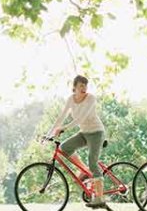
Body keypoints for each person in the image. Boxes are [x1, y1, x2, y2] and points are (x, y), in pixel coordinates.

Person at [48, 75, 107, 207]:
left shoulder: (91, 99)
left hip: (97, 133)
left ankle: (100, 198)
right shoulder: (71, 99)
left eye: (85, 85)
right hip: (84, 133)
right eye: (81, 85)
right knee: (64, 148)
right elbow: (61, 117)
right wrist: (49, 134)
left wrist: (64, 128)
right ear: (74, 87)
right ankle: (84, 170)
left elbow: (81, 118)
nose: (84, 88)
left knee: (93, 162)